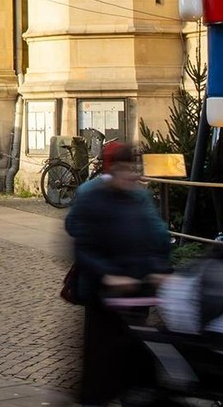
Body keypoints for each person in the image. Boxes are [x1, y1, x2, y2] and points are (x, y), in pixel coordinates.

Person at [65, 142, 173, 407]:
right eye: (124, 169)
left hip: (137, 295)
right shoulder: (91, 196)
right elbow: (82, 247)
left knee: (136, 363)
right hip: (103, 298)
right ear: (111, 170)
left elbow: (157, 235)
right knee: (100, 367)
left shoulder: (140, 197)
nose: (130, 175)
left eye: (133, 169)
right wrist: (108, 275)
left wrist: (161, 269)